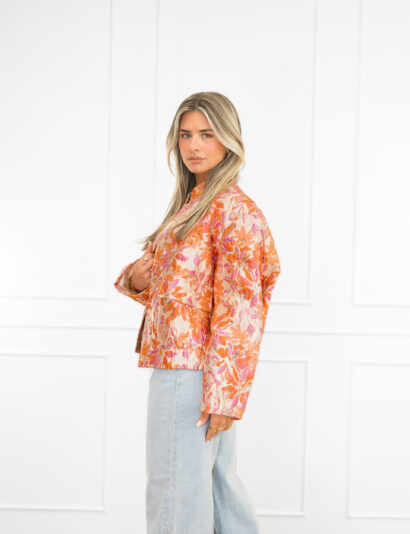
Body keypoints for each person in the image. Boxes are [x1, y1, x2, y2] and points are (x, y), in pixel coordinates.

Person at [114, 91, 281, 533]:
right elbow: (184, 293)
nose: (194, 145)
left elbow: (240, 310)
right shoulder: (196, 203)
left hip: (191, 373)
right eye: (186, 135)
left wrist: (224, 395)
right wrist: (136, 279)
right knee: (218, 491)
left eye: (207, 134)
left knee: (175, 491)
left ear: (229, 139)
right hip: (192, 368)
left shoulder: (234, 211)